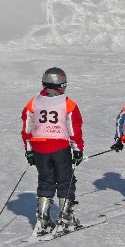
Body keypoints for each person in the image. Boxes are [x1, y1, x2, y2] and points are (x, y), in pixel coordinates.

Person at [22, 68, 86, 236]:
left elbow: (27, 128)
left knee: (45, 181)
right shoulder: (67, 103)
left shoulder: (33, 102)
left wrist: (29, 151)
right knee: (65, 181)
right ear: (62, 85)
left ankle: (43, 220)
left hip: (39, 148)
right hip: (60, 147)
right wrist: (77, 150)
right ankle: (66, 217)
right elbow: (74, 129)